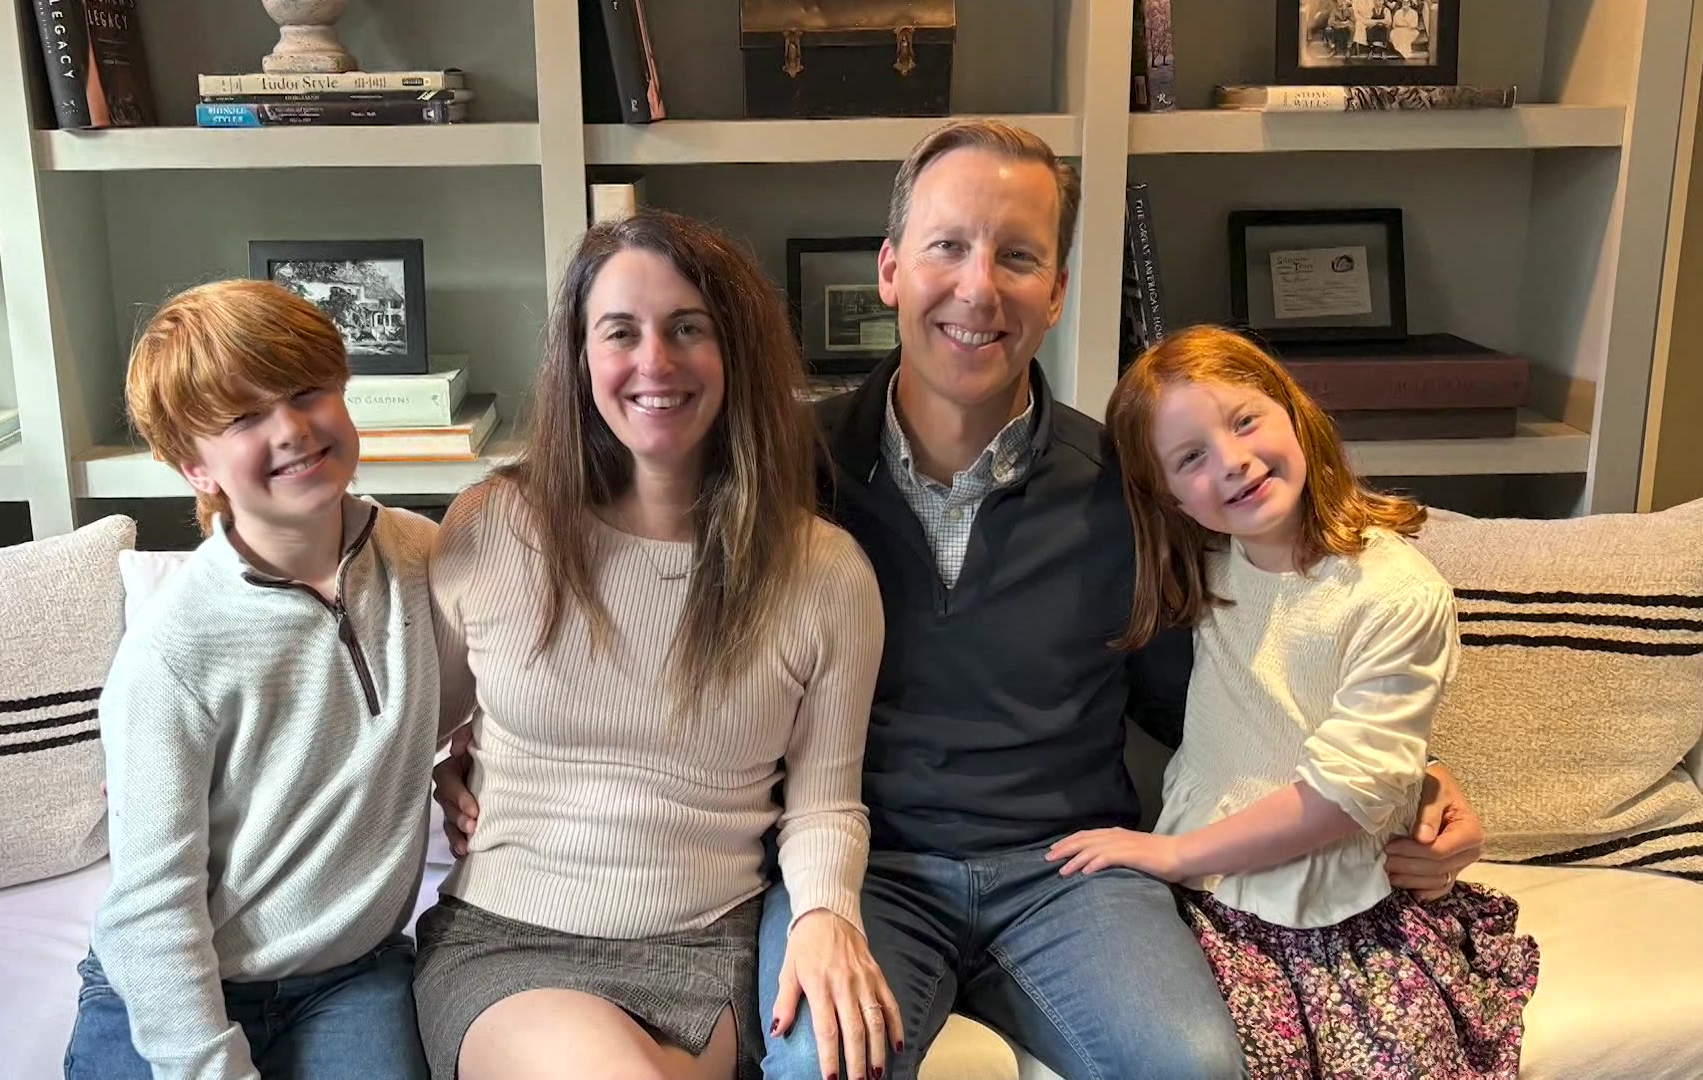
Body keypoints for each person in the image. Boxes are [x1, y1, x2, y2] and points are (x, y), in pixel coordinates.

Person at [437, 119, 1490, 1079]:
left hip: (1070, 876)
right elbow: (622, 616)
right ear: (890, 270)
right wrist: (473, 748)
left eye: (1017, 257)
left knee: (1194, 1067)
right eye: (947, 247)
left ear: (1057, 291)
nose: (978, 289)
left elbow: (1224, 694)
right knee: (811, 1068)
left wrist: (1409, 779)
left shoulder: (1129, 489)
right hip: (871, 874)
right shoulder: (779, 477)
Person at [412, 209, 896, 1080]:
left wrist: (827, 911)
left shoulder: (825, 575)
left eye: (687, 329)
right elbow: (404, 725)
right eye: (620, 332)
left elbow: (825, 802)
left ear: (736, 353)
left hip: (704, 947)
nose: (655, 362)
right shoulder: (494, 528)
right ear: (580, 358)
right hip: (508, 941)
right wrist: (442, 770)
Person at [1055, 324, 1539, 1078]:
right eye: (1191, 458)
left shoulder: (1394, 593)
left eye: (1245, 420)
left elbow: (1351, 785)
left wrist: (1424, 780)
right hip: (1207, 898)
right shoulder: (1203, 563)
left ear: (1293, 410)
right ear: (1167, 497)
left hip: (1337, 907)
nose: (1233, 461)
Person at [64, 279, 443, 1080]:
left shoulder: (424, 559)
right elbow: (154, 905)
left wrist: (474, 752)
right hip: (172, 983)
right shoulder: (170, 651)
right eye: (243, 418)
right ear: (194, 467)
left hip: (351, 977)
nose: (292, 429)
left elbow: (509, 674)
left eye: (306, 392)